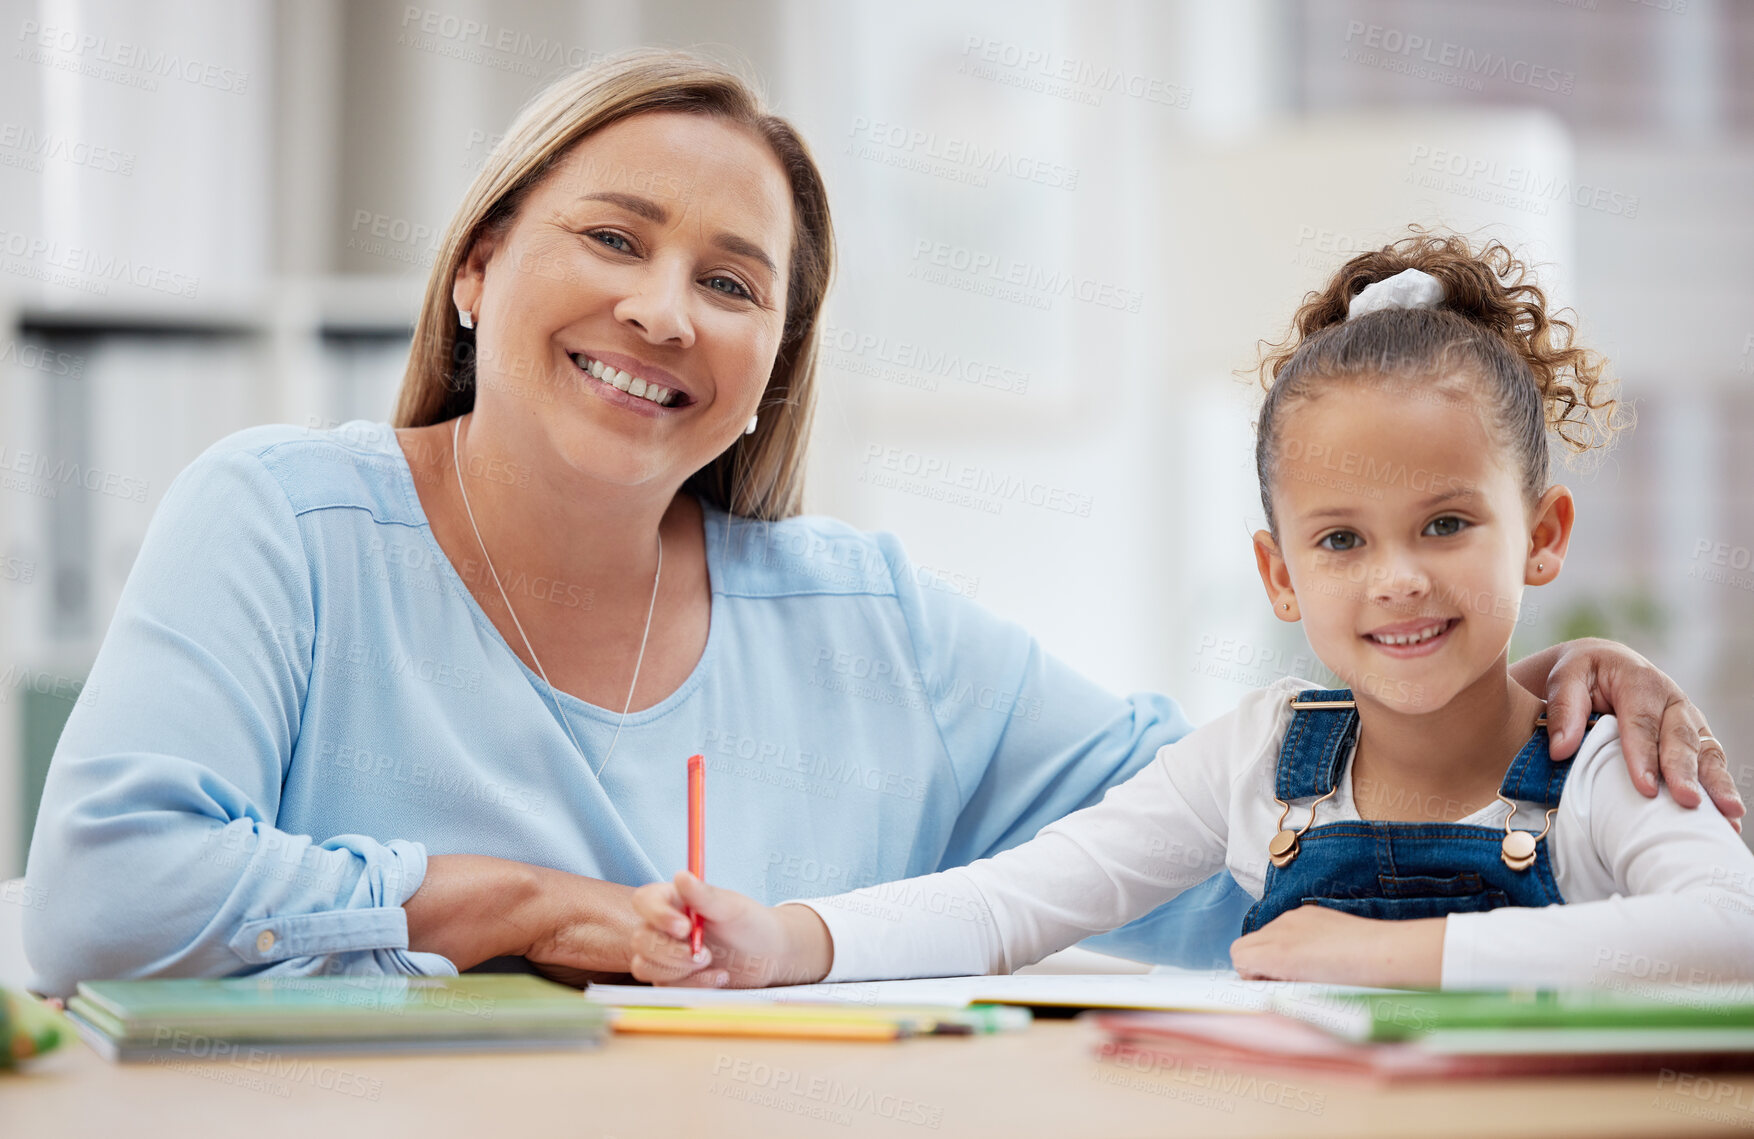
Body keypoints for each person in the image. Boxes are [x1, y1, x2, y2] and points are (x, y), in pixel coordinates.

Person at [22, 53, 1738, 998]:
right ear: (476, 265)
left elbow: (1246, 849)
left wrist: (1510, 703)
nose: (659, 310)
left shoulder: (868, 620)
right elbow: (104, 891)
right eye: (610, 238)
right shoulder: (278, 520)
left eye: (729, 282)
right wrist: (498, 898)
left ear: (772, 367)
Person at [626, 233, 1754, 990]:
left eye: (1446, 523)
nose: (1395, 576)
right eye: (1340, 539)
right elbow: (1012, 898)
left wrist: (1381, 954)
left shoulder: (1602, 769)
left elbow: (1729, 930)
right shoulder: (1262, 755)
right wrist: (783, 938)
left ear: (1544, 534)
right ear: (1278, 573)